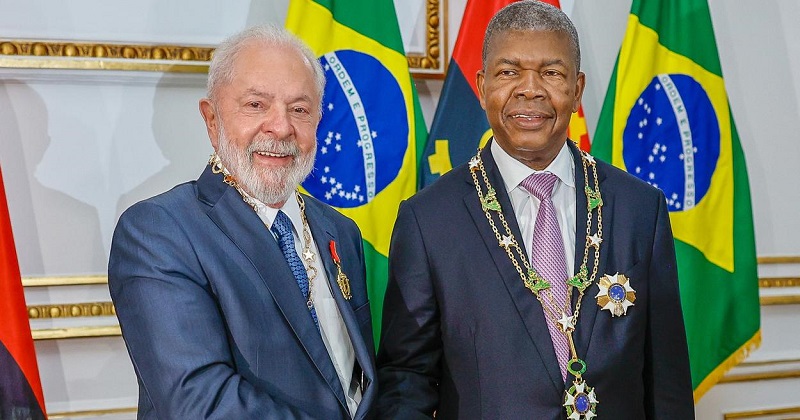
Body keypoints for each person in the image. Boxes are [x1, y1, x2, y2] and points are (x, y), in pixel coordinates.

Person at [376, 1, 694, 419]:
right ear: (482, 84)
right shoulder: (428, 221)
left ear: (576, 89)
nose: (530, 89)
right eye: (509, 72)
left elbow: (666, 382)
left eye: (551, 73)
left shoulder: (639, 209)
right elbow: (407, 383)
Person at [109, 25, 376, 419]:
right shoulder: (157, 231)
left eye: (299, 110)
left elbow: (354, 382)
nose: (281, 127)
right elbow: (198, 402)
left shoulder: (341, 231)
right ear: (212, 119)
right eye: (256, 105)